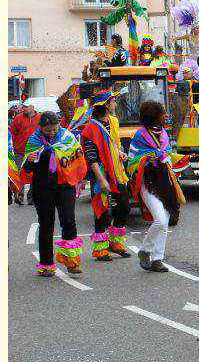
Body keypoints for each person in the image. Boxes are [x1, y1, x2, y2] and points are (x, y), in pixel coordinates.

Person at [22, 112, 87, 275]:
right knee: (46, 224)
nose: (51, 132)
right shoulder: (34, 141)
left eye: (54, 129)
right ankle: (46, 264)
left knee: (69, 220)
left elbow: (77, 156)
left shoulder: (67, 137)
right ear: (41, 128)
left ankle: (71, 261)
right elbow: (26, 169)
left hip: (65, 185)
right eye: (48, 130)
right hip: (43, 187)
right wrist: (30, 160)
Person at [127, 101, 186, 273]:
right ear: (154, 116)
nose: (166, 115)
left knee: (166, 220)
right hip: (148, 182)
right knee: (160, 219)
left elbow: (167, 154)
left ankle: (157, 259)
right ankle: (145, 250)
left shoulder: (164, 134)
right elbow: (133, 160)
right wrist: (149, 158)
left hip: (165, 181)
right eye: (163, 113)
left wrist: (176, 158)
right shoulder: (139, 136)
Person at [80, 91, 132, 262]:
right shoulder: (90, 129)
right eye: (114, 101)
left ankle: (115, 242)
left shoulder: (114, 122)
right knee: (101, 209)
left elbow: (115, 144)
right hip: (101, 173)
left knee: (124, 205)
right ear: (106, 105)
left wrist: (121, 153)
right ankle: (100, 248)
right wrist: (101, 179)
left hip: (117, 171)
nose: (116, 103)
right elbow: (91, 157)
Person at [10, 104, 41, 205]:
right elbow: (12, 133)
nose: (23, 109)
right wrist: (16, 144)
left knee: (34, 174)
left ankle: (32, 197)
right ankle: (19, 195)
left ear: (33, 107)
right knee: (19, 173)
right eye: (23, 107)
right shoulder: (18, 118)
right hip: (20, 151)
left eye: (26, 107)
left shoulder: (40, 118)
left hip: (34, 151)